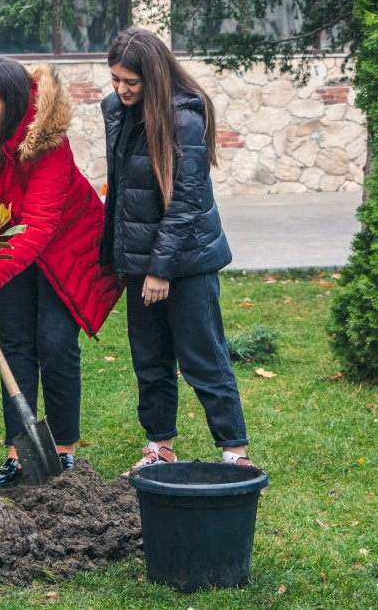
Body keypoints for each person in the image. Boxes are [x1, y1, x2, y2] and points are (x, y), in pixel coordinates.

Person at [0, 57, 120, 487]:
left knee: (56, 343)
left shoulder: (47, 144)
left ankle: (63, 451)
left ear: (16, 106)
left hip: (63, 245)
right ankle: (18, 453)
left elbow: (38, 228)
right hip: (5, 244)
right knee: (16, 343)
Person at [100, 27, 254, 472]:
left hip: (186, 263)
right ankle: (160, 446)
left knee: (203, 358)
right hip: (141, 263)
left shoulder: (184, 116)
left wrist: (161, 269)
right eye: (116, 80)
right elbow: (126, 190)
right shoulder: (116, 110)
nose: (121, 90)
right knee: (150, 361)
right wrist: (125, 258)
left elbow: (185, 199)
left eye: (131, 82)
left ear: (155, 75)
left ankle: (235, 452)